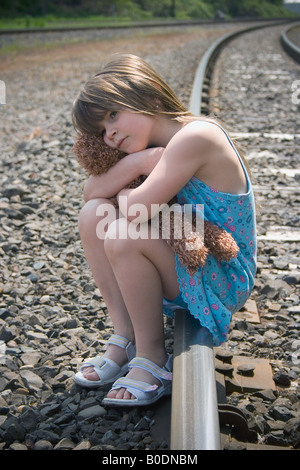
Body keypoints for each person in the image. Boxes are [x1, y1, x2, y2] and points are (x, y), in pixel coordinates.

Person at [72, 54, 256, 406]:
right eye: (100, 131)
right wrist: (139, 162)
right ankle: (125, 336)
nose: (109, 133)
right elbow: (90, 195)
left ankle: (152, 356)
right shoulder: (150, 149)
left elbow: (137, 209)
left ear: (151, 95)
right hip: (186, 262)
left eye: (113, 115)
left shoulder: (197, 136)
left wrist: (124, 189)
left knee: (125, 233)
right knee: (93, 215)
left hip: (221, 273)